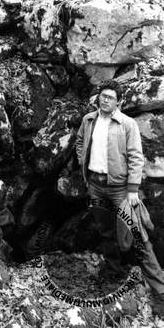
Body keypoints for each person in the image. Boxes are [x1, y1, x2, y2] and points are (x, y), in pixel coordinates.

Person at [76, 79, 164, 318]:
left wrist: (133, 189)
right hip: (96, 186)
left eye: (110, 97)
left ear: (119, 102)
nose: (105, 100)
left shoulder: (127, 124)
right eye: (102, 96)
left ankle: (160, 292)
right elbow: (80, 142)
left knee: (138, 236)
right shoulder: (88, 120)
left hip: (120, 190)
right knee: (105, 231)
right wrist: (83, 163)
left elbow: (136, 157)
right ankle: (113, 270)